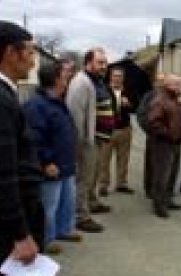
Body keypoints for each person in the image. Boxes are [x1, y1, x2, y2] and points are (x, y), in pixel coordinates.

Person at [0, 21, 45, 274]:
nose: (32, 62)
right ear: (10, 53)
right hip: (8, 226)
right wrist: (20, 234)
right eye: (30, 52)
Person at [24, 61, 82, 255]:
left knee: (67, 202)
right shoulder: (36, 105)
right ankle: (46, 239)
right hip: (52, 166)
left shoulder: (57, 101)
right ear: (56, 79)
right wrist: (46, 161)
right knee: (49, 206)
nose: (68, 77)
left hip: (66, 164)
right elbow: (34, 138)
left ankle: (62, 230)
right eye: (65, 74)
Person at [66, 48, 113, 233]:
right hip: (86, 141)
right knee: (83, 178)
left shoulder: (96, 80)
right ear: (88, 63)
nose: (104, 66)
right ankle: (81, 216)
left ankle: (92, 202)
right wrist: (82, 143)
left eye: (105, 62)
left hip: (97, 138)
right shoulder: (81, 83)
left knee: (92, 175)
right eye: (100, 62)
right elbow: (75, 115)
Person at [147, 74, 181, 218]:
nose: (180, 87)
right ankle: (158, 205)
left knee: (172, 174)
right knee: (161, 176)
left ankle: (168, 199)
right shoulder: (160, 100)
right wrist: (168, 134)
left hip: (176, 143)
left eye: (180, 84)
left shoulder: (175, 100)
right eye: (177, 84)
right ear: (168, 85)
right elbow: (154, 123)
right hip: (163, 144)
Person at [98, 67, 134, 196]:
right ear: (111, 77)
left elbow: (136, 106)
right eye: (115, 76)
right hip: (108, 129)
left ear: (123, 78)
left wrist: (129, 104)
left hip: (125, 129)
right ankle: (103, 185)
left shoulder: (128, 91)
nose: (117, 78)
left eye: (120, 76)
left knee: (123, 158)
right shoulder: (104, 90)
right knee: (104, 159)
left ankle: (121, 183)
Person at [143, 73, 165, 199]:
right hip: (153, 135)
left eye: (163, 81)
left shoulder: (169, 96)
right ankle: (149, 188)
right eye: (159, 81)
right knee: (151, 163)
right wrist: (149, 129)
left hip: (166, 137)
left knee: (164, 165)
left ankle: (161, 189)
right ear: (155, 83)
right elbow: (142, 114)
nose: (161, 83)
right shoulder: (149, 96)